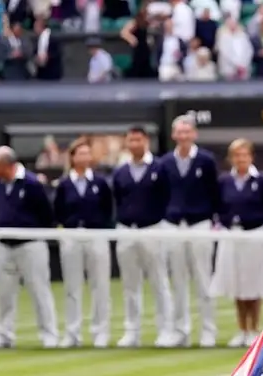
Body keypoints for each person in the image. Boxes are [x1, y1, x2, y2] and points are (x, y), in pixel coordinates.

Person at [112, 125, 178, 348]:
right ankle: (132, 331)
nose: (134, 144)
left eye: (138, 140)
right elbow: (118, 200)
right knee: (130, 285)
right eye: (130, 140)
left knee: (159, 282)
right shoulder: (121, 171)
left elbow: (168, 196)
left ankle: (166, 330)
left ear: (145, 141)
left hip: (153, 229)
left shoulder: (160, 168)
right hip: (127, 230)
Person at [0, 146, 59, 348]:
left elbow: (46, 214)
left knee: (39, 290)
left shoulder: (32, 184)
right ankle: (4, 335)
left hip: (31, 245)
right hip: (4, 245)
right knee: (5, 293)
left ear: (6, 165)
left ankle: (49, 334)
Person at [161, 114, 221, 348]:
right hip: (174, 226)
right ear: (174, 135)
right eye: (180, 132)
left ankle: (208, 331)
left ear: (194, 134)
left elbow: (214, 193)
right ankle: (180, 331)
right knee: (178, 281)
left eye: (188, 131)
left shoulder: (206, 161)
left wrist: (214, 220)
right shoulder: (165, 162)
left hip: (200, 225)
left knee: (203, 280)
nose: (184, 136)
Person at [210, 138, 263, 347]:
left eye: (244, 155)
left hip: (255, 235)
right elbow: (218, 206)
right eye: (237, 155)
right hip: (232, 236)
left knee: (253, 284)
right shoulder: (223, 182)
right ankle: (242, 329)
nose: (241, 159)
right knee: (237, 284)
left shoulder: (262, 181)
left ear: (251, 157)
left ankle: (254, 329)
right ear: (231, 159)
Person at [54, 137, 115, 348]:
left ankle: (101, 332)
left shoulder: (100, 182)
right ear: (72, 157)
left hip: (96, 235)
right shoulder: (64, 184)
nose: (85, 157)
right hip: (71, 236)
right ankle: (73, 333)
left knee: (100, 285)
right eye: (80, 153)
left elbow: (107, 209)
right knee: (72, 286)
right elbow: (59, 210)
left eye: (88, 153)